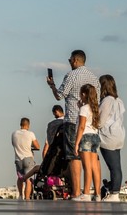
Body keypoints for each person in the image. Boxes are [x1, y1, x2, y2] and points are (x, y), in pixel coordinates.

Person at [46, 49, 99, 198]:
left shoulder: (71, 76)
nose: (69, 62)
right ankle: (94, 192)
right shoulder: (94, 78)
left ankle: (77, 192)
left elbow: (59, 96)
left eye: (70, 60)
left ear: (75, 60)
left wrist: (52, 85)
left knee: (73, 155)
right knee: (92, 157)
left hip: (73, 120)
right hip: (91, 123)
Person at [97, 75, 125, 202]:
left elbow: (101, 121)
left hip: (108, 136)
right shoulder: (118, 100)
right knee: (117, 166)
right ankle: (114, 191)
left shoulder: (107, 100)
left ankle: (114, 193)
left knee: (113, 167)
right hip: (118, 135)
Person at [72, 84, 101, 202]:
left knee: (87, 167)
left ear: (83, 94)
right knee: (94, 167)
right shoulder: (95, 108)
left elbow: (82, 127)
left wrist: (76, 143)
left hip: (86, 138)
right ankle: (97, 194)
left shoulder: (84, 109)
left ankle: (86, 193)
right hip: (95, 137)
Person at [11, 117, 39, 199]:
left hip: (18, 159)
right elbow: (37, 146)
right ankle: (27, 198)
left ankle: (20, 195)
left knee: (20, 178)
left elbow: (13, 144)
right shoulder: (30, 134)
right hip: (28, 158)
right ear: (28, 125)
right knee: (28, 179)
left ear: (20, 124)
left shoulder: (14, 133)